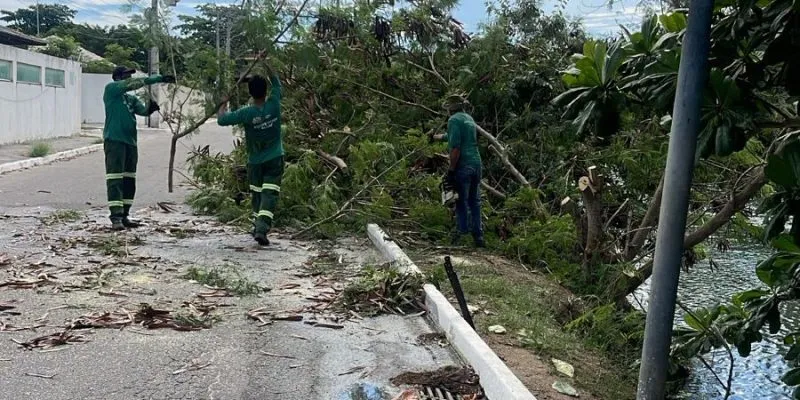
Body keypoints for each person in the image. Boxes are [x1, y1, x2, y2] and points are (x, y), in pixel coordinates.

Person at [103, 66, 175, 231]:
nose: (129, 78)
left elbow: (142, 111)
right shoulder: (111, 90)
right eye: (126, 75)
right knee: (115, 179)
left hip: (130, 142)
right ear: (118, 77)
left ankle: (125, 215)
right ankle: (116, 217)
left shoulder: (130, 99)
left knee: (129, 179)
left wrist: (150, 108)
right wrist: (158, 78)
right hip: (114, 141)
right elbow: (133, 84)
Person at [217, 70, 283, 246]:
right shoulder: (274, 104)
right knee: (269, 194)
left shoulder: (247, 113)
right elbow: (277, 83)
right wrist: (267, 63)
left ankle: (257, 226)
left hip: (255, 162)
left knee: (257, 194)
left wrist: (224, 102)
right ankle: (261, 228)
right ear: (266, 91)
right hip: (275, 159)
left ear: (250, 93)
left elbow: (222, 120)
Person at [442, 95, 484, 248]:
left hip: (463, 164)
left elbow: (455, 148)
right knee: (475, 201)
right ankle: (478, 237)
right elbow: (453, 136)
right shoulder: (469, 119)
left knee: (461, 201)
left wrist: (451, 169)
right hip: (477, 163)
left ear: (451, 108)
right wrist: (437, 137)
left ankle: (463, 234)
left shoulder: (453, 120)